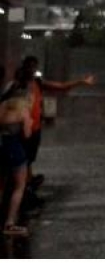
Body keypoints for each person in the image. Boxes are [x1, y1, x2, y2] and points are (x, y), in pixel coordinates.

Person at [6, 56, 95, 192]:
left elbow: (61, 86)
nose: (32, 70)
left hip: (34, 127)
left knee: (29, 157)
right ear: (24, 67)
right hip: (20, 127)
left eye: (34, 66)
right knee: (23, 158)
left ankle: (27, 184)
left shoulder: (38, 83)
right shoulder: (17, 85)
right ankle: (24, 186)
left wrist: (80, 81)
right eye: (30, 66)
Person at [0, 79, 33, 237]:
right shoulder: (23, 110)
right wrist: (30, 123)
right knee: (19, 186)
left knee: (2, 183)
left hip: (1, 145)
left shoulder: (3, 106)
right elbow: (27, 134)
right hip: (15, 148)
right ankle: (10, 222)